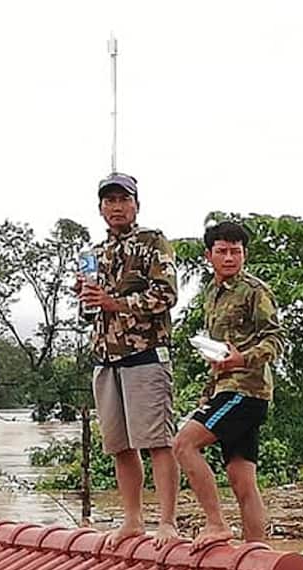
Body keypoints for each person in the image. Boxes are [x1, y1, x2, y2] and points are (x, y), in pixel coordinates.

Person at [80, 173, 180, 547]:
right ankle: (133, 519)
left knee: (157, 441)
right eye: (109, 201)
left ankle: (167, 521)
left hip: (145, 354)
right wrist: (87, 297)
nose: (116, 206)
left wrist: (115, 302)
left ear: (137, 204)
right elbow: (88, 313)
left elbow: (166, 296)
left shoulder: (153, 242)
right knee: (119, 445)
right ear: (101, 208)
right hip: (105, 358)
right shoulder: (94, 254)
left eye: (123, 199)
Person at [172, 221, 285, 547]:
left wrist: (242, 359)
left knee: (184, 444)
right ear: (209, 255)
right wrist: (208, 393)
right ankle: (256, 553)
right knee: (241, 480)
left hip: (246, 391)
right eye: (222, 251)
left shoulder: (254, 291)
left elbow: (276, 339)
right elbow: (218, 351)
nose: (230, 257)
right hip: (225, 389)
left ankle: (216, 524)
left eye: (236, 251)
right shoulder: (211, 294)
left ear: (244, 254)